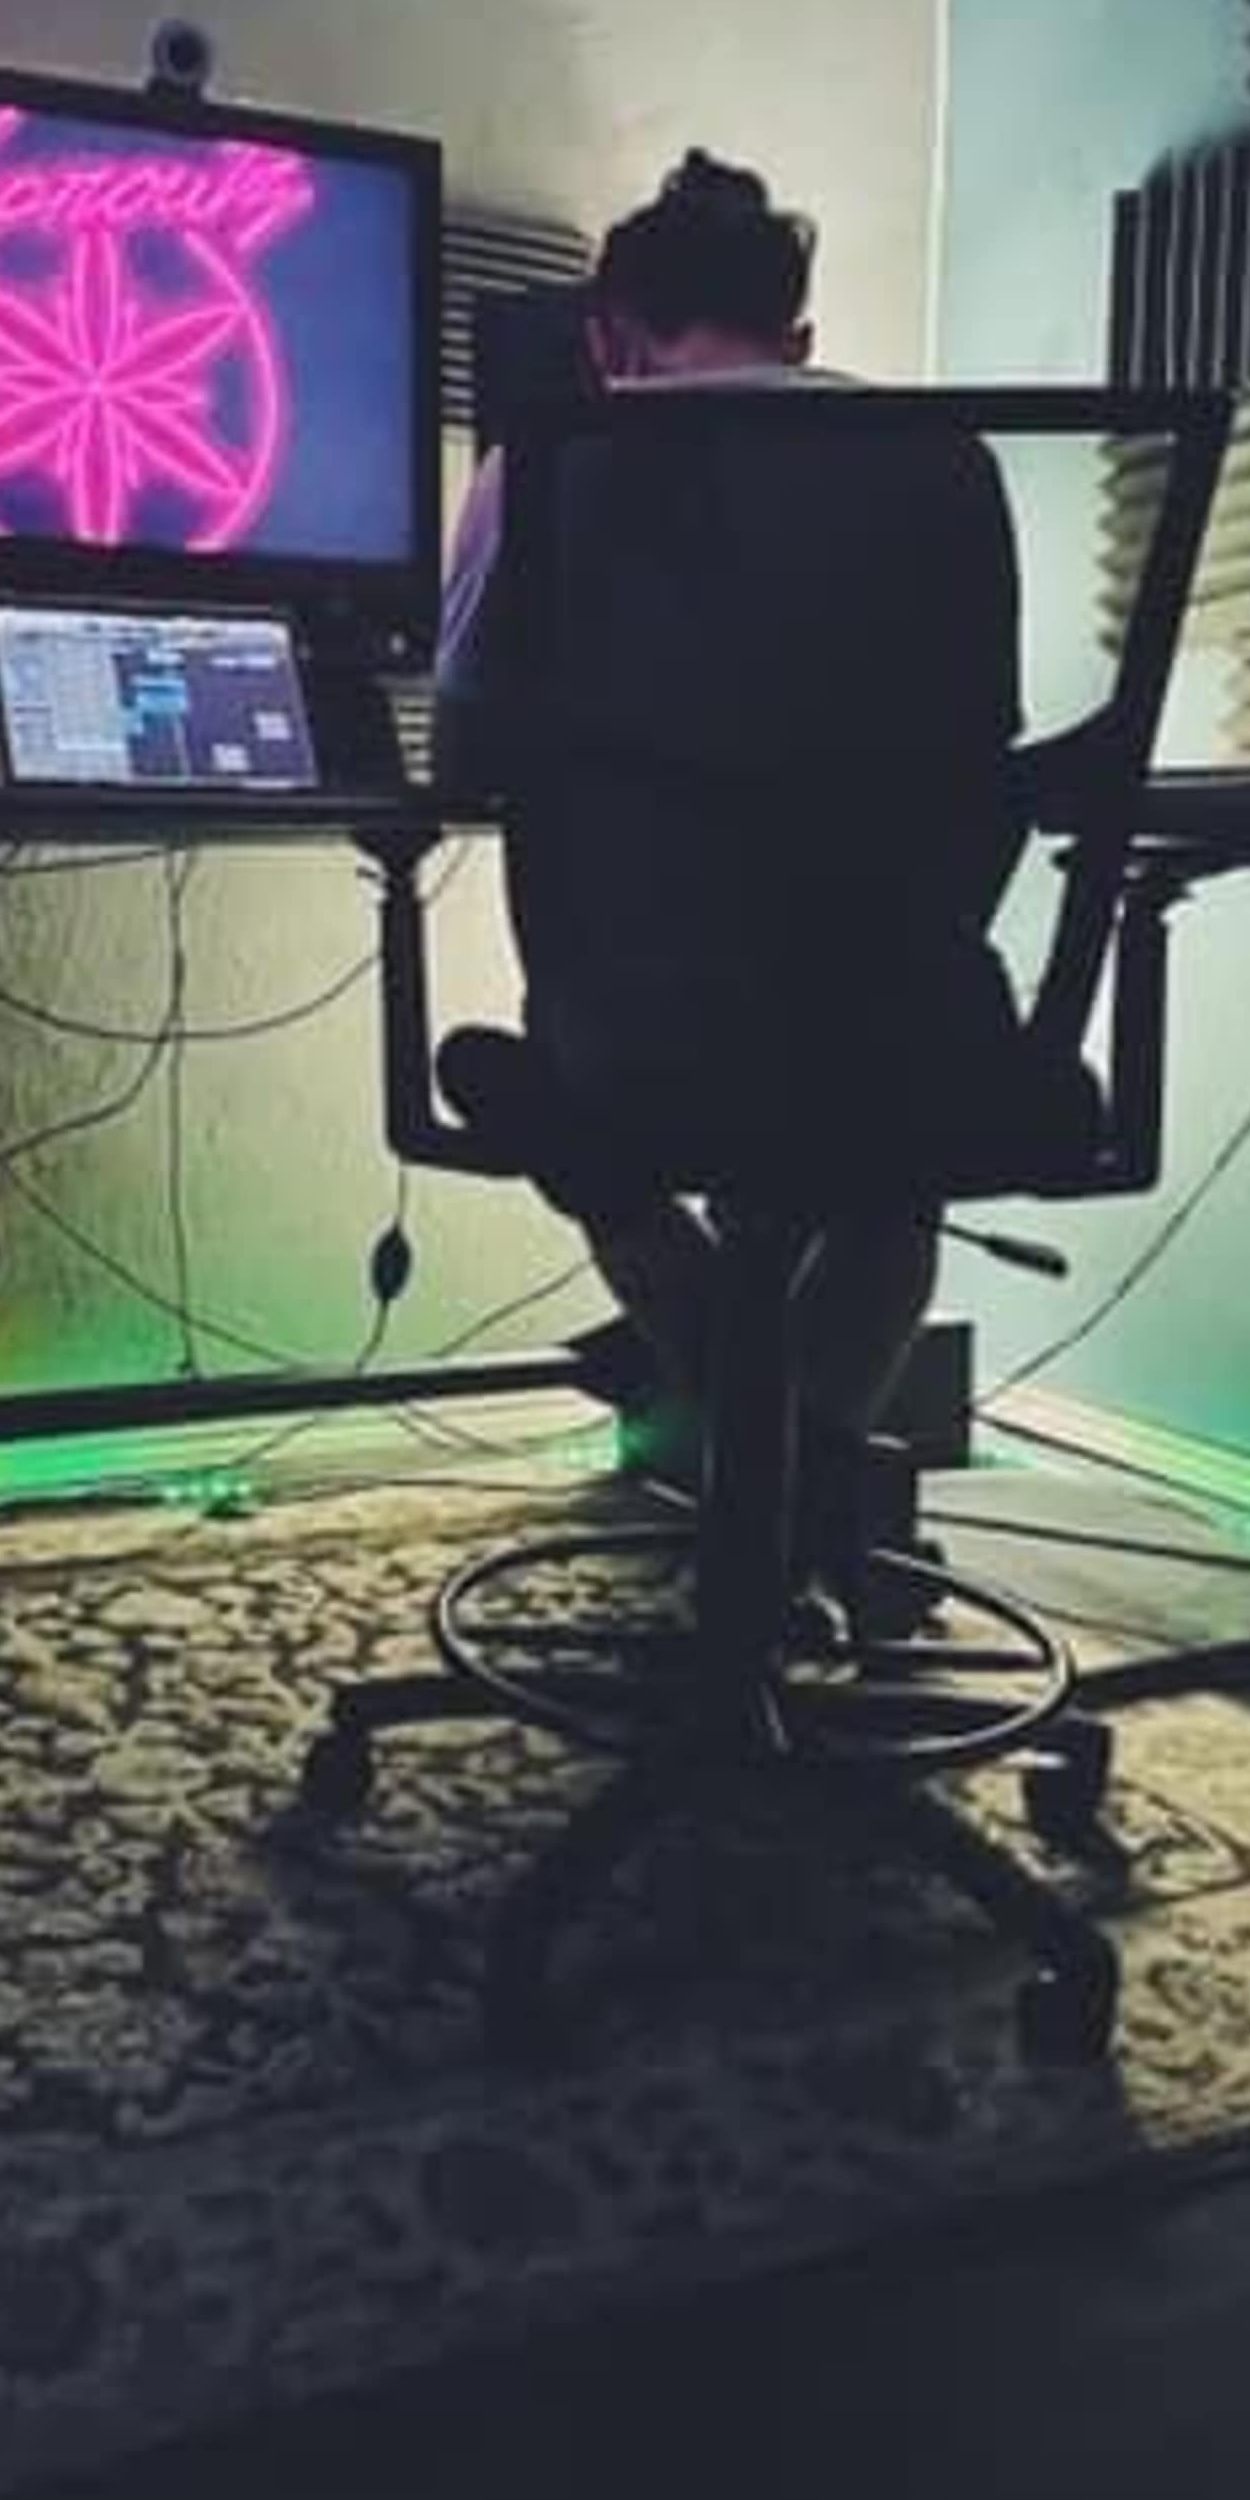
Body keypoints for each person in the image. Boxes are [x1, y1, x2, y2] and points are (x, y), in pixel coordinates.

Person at [427, 148, 1027, 1562]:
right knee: (890, 1171)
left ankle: (761, 1478)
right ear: (802, 337)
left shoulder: (549, 464)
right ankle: (810, 1483)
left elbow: (463, 767)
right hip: (910, 1030)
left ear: (608, 338)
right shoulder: (946, 462)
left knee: (586, 1127)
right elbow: (989, 764)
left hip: (638, 1036)